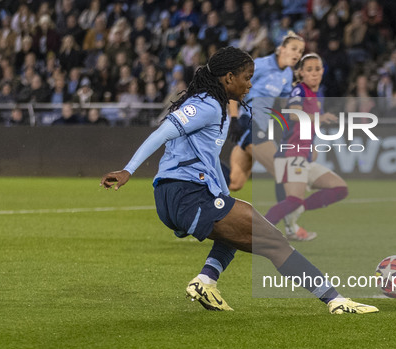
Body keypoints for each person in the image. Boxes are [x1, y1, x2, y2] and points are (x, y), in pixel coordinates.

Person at [100, 47, 377, 315]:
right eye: (246, 77)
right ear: (228, 77)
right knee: (275, 243)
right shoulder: (206, 105)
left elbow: (206, 158)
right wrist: (128, 170)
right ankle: (336, 301)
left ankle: (206, 281)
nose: (249, 84)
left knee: (236, 227)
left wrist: (221, 197)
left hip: (176, 196)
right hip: (186, 194)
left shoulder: (215, 106)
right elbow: (163, 132)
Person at [228, 32, 316, 241]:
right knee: (282, 171)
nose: (297, 54)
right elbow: (232, 87)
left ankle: (195, 188)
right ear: (281, 49)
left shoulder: (287, 75)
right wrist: (233, 118)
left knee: (235, 182)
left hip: (261, 126)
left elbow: (285, 106)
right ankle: (289, 229)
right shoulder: (260, 65)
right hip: (249, 124)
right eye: (294, 49)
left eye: (301, 51)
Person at [263, 53, 348, 234]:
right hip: (291, 155)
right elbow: (294, 114)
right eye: (309, 70)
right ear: (300, 73)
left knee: (340, 189)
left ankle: (299, 210)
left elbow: (309, 125)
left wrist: (313, 146)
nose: (314, 73)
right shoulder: (299, 90)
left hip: (304, 155)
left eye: (317, 69)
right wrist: (321, 117)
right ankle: (257, 232)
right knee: (293, 199)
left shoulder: (319, 95)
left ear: (323, 71)